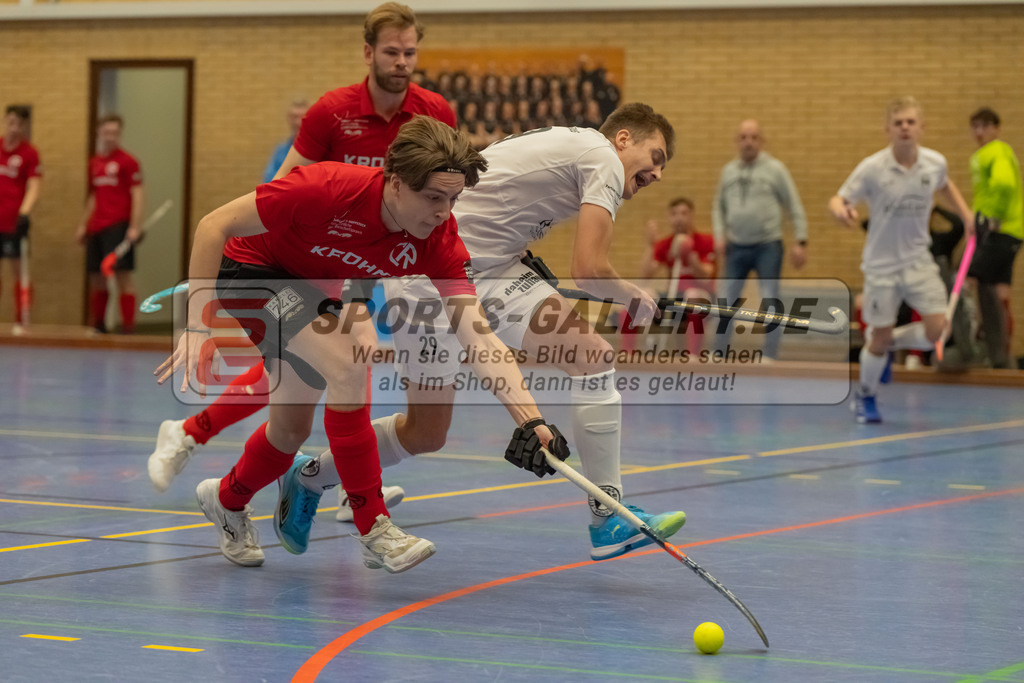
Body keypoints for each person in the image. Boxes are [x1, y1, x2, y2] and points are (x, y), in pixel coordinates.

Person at [276, 103, 687, 563]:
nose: (657, 173)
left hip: (495, 268)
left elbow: (500, 205)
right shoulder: (602, 157)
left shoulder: (579, 151)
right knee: (426, 433)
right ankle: (311, 475)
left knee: (591, 356)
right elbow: (589, 269)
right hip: (428, 277)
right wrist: (632, 293)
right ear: (625, 139)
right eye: (656, 156)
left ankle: (607, 517)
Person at [158, 116, 569, 571]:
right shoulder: (326, 186)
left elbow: (478, 334)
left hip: (316, 287)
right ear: (395, 183)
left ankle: (225, 499)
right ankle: (374, 525)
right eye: (433, 197)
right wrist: (197, 324)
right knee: (348, 366)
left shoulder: (439, 240)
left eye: (452, 199)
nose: (442, 212)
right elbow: (214, 225)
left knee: (289, 431)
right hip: (254, 275)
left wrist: (530, 419)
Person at [148, 1, 455, 504]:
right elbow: (283, 185)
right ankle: (343, 485)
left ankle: (195, 435)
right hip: (325, 251)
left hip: (387, 254)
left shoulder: (434, 111)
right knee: (339, 361)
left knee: (321, 369)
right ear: (369, 53)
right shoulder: (331, 111)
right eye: (392, 52)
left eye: (410, 53)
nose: (402, 62)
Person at [829, 96, 974, 423]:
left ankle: (889, 341)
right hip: (881, 267)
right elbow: (838, 198)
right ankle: (865, 395)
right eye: (898, 123)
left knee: (938, 330)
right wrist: (841, 210)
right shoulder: (873, 168)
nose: (905, 128)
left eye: (910, 122)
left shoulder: (934, 163)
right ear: (888, 130)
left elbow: (945, 185)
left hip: (918, 261)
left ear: (922, 128)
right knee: (877, 339)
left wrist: (966, 215)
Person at [712, 119, 808, 361]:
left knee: (770, 298)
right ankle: (719, 352)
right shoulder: (728, 171)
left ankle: (770, 354)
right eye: (744, 137)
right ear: (737, 141)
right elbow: (718, 207)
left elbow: (794, 203)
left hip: (768, 245)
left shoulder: (776, 169)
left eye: (754, 137)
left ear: (762, 142)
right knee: (727, 300)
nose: (748, 142)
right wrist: (719, 234)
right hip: (736, 245)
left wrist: (801, 240)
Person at [75, 114, 144, 334]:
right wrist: (83, 224)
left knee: (123, 276)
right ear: (99, 133)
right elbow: (94, 195)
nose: (110, 137)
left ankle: (128, 327)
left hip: (119, 226)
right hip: (97, 227)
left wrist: (134, 226)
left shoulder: (128, 162)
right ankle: (99, 325)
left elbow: (138, 194)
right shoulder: (94, 163)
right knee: (96, 277)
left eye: (115, 133)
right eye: (107, 132)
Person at [965, 107, 1022, 369]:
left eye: (985, 126)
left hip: (999, 231)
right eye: (975, 127)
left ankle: (977, 347)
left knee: (969, 279)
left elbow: (1004, 184)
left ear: (996, 128)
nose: (979, 132)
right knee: (1000, 292)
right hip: (1007, 232)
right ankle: (1001, 357)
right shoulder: (985, 153)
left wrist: (993, 218)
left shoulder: (996, 151)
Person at [639, 197, 716, 354]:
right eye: (674, 214)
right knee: (642, 294)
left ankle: (693, 355)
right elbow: (645, 276)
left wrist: (690, 256)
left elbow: (706, 276)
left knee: (692, 294)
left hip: (701, 299)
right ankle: (629, 355)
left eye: (683, 213)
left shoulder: (705, 241)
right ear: (669, 217)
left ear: (691, 215)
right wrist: (650, 246)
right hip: (674, 298)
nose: (679, 218)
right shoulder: (666, 244)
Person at [0, 105, 42, 330]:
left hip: (13, 221)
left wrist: (24, 212)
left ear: (25, 126)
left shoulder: (29, 153)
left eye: (19, 124)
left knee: (19, 269)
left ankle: (21, 321)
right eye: (11, 122)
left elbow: (34, 185)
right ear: (6, 120)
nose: (14, 128)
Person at [261, 99, 308, 184]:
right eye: (294, 117)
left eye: (301, 117)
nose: (297, 122)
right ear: (288, 119)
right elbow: (269, 181)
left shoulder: (318, 151)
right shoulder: (280, 151)